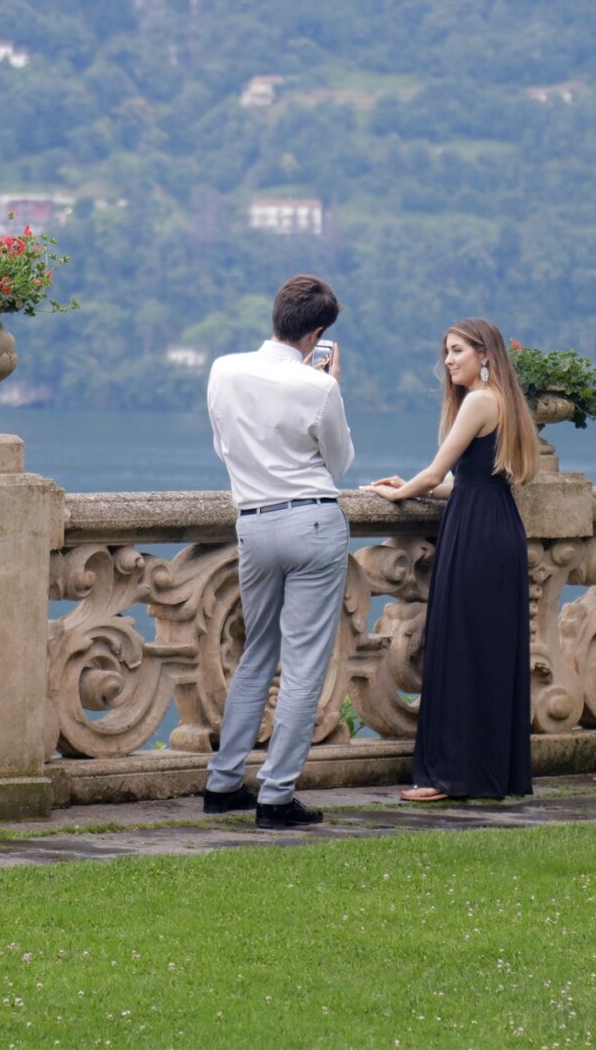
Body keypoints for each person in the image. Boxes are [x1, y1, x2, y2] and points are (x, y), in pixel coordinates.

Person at [203, 274, 354, 829]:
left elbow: (224, 442)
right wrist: (328, 383)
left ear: (276, 316)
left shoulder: (223, 369)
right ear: (317, 333)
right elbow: (338, 463)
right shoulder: (320, 387)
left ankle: (222, 783)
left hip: (253, 522)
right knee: (304, 664)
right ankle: (276, 795)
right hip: (311, 520)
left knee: (256, 653)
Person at [364, 319, 536, 802]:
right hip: (495, 524)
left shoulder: (481, 400)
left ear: (486, 354)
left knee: (461, 650)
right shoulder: (503, 402)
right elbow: (464, 483)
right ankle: (484, 773)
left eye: (457, 350)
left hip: (475, 536)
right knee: (487, 653)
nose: (449, 360)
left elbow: (436, 471)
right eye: (446, 352)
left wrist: (397, 492)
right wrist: (412, 488)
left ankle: (451, 776)